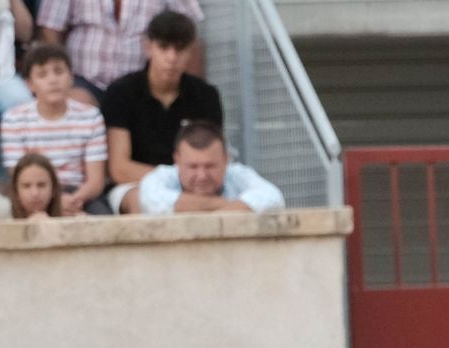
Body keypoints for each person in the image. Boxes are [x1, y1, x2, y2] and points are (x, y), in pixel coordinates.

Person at [99, 8, 217, 214]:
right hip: (135, 183)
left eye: (179, 49)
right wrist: (174, 181)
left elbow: (212, 155)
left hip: (195, 184)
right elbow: (119, 168)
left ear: (190, 51)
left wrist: (189, 185)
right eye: (164, 48)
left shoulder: (206, 95)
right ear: (148, 47)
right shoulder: (121, 92)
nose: (171, 58)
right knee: (140, 200)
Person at [0, 43, 103, 212]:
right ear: (30, 84)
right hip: (35, 193)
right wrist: (53, 202)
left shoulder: (91, 117)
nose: (53, 80)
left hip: (79, 194)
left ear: (71, 78)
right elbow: (19, 175)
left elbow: (95, 181)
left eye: (59, 72)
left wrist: (73, 199)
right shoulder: (13, 120)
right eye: (42, 74)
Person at [36, 0, 201, 104]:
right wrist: (63, 81)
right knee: (76, 105)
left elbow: (189, 32)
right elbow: (50, 29)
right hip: (83, 81)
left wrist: (190, 89)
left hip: (142, 84)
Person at [135, 119, 281, 215]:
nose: (202, 176)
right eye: (193, 167)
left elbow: (272, 197)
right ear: (177, 160)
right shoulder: (162, 175)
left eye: (210, 166)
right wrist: (231, 206)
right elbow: (151, 200)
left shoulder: (237, 173)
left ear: (226, 159)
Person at [5, 149, 60, 218]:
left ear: (53, 189)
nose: (35, 193)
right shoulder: (0, 221)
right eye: (26, 186)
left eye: (41, 185)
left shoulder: (69, 222)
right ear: (16, 191)